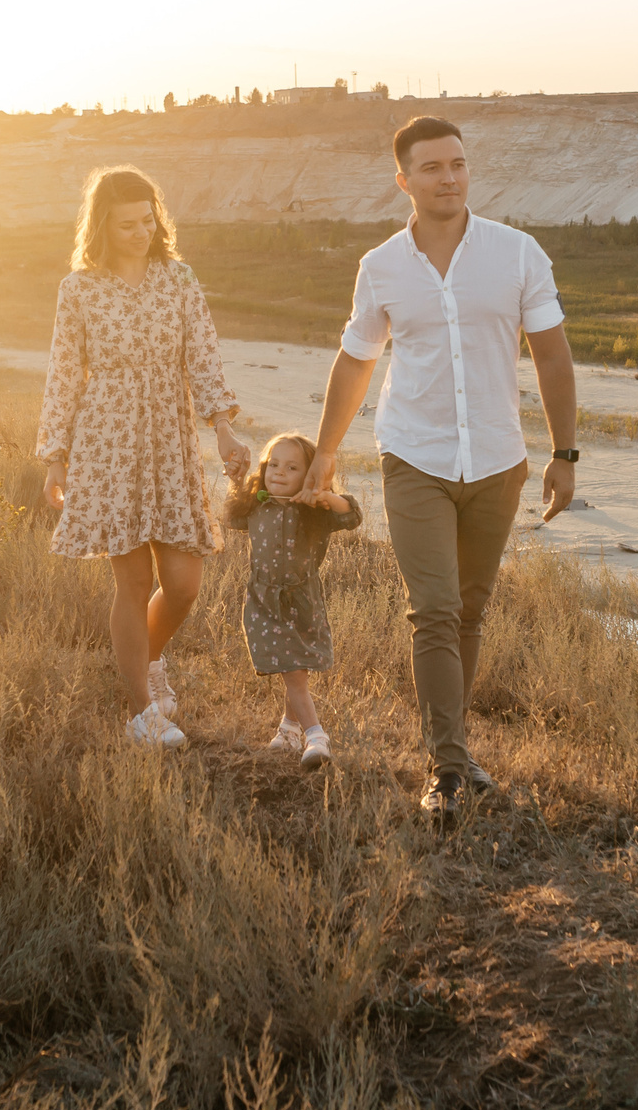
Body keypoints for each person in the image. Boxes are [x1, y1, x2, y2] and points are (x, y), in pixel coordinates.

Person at [306, 116, 579, 820]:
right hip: (414, 455)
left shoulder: (517, 253)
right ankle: (447, 769)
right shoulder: (381, 266)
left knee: (470, 610)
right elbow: (356, 361)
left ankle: (452, 748)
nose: (449, 177)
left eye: (457, 163)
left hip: (497, 458)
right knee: (433, 608)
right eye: (431, 167)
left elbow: (552, 354)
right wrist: (326, 452)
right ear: (404, 180)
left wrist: (564, 453)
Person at [36, 166, 250, 748]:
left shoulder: (178, 279)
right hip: (107, 442)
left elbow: (203, 355)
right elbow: (63, 374)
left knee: (183, 583)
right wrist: (55, 456)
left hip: (170, 439)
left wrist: (223, 429)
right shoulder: (79, 289)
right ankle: (142, 714)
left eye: (147, 220)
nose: (140, 232)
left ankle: (147, 660)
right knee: (131, 581)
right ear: (102, 226)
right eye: (127, 224)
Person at [223, 432, 361, 769]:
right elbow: (230, 517)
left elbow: (352, 515)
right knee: (292, 671)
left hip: (303, 598)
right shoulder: (257, 504)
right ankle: (316, 736)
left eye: (292, 467)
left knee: (296, 667)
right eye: (273, 465)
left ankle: (288, 729)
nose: (279, 472)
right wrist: (237, 481)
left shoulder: (314, 511)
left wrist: (324, 494)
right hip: (265, 600)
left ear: (309, 474)